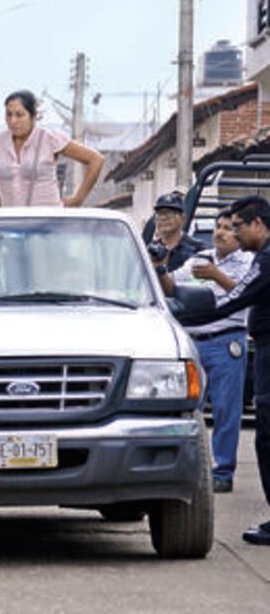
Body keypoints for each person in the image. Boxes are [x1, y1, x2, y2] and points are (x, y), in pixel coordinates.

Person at [177, 196, 270, 545]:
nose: (234, 233)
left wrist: (180, 315)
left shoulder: (264, 260)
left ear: (257, 224)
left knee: (266, 435)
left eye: (238, 227)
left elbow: (232, 301)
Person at [155, 209, 252, 493]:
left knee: (225, 411)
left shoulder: (248, 261)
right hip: (193, 341)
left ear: (239, 233)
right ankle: (186, 469)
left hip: (226, 342)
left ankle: (222, 470)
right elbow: (171, 288)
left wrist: (216, 276)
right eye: (218, 227)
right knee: (186, 410)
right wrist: (160, 268)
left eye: (228, 228)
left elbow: (246, 294)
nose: (220, 232)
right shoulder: (200, 259)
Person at [0, 89, 104, 207]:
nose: (13, 121)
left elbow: (96, 159)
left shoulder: (50, 138)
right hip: (12, 221)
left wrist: (77, 199)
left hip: (48, 221)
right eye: (9, 114)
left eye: (19, 115)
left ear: (33, 116)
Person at [149, 192, 205, 273]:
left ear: (183, 218)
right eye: (160, 214)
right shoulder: (149, 250)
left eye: (169, 213)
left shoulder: (196, 248)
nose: (164, 218)